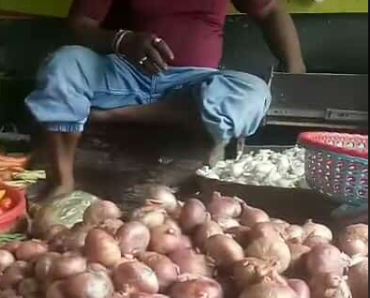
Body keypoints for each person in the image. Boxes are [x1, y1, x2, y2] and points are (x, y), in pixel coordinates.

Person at [26, 0, 306, 196]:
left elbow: (269, 10)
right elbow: (80, 23)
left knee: (250, 94)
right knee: (63, 64)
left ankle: (116, 113)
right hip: (124, 73)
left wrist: (297, 73)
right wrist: (123, 40)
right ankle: (62, 182)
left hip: (193, 85)